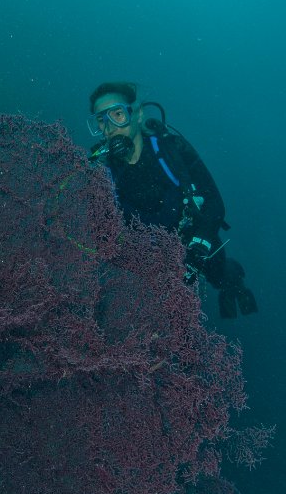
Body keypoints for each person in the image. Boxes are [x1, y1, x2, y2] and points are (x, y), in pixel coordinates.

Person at [88, 81, 257, 319]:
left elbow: (214, 203)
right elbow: (102, 236)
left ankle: (235, 284)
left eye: (117, 114)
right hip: (151, 260)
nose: (110, 127)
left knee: (219, 275)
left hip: (194, 238)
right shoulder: (104, 174)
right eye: (101, 120)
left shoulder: (171, 149)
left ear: (138, 114)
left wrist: (199, 246)